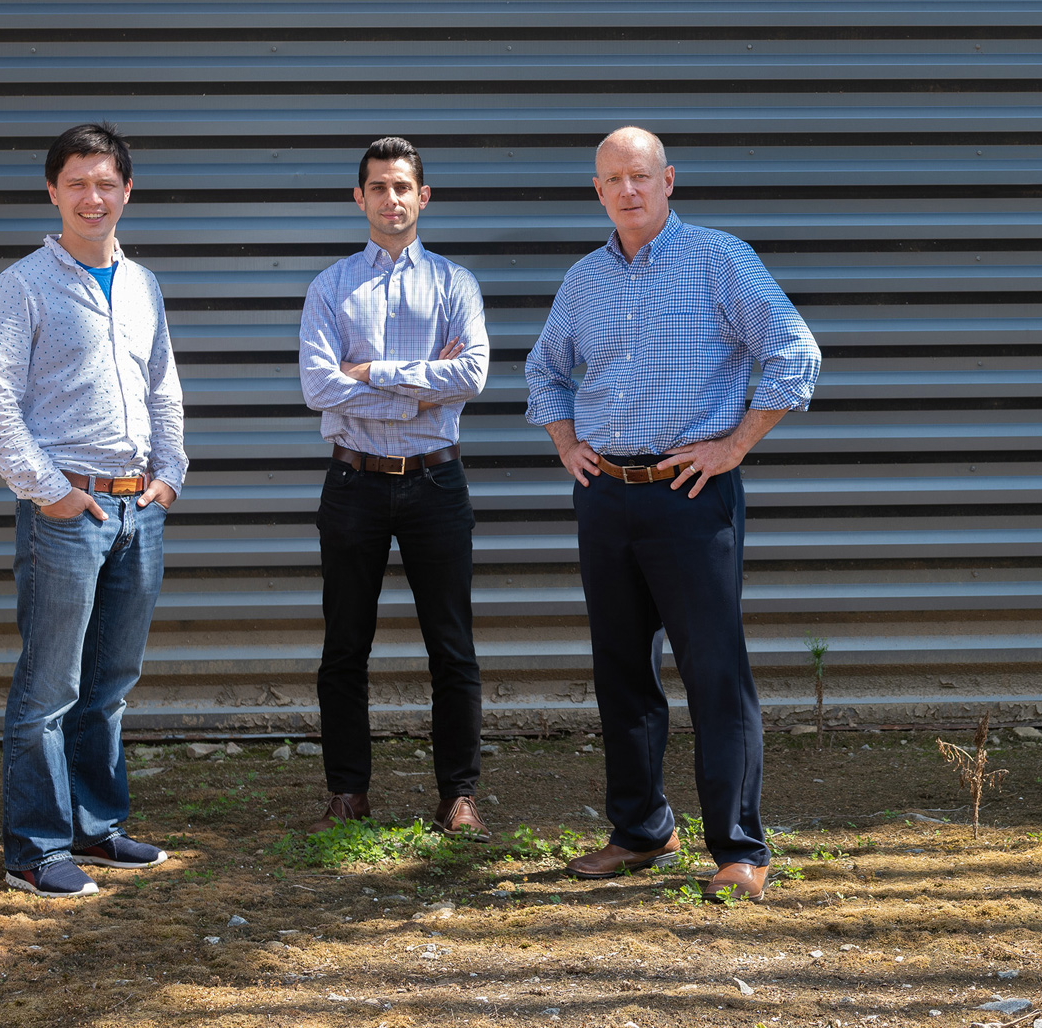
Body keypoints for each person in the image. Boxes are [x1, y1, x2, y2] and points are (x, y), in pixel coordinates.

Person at [524, 126, 821, 901]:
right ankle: (641, 830)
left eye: (642, 176)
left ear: (669, 181)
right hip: (606, 499)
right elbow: (544, 370)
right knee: (621, 671)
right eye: (613, 180)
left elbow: (795, 350)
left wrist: (735, 445)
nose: (629, 190)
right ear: (597, 191)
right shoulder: (585, 279)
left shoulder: (719, 260)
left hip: (691, 497)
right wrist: (566, 445)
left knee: (714, 672)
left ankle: (740, 849)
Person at [0, 122, 185, 897]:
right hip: (68, 510)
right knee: (49, 685)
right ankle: (34, 848)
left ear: (128, 191)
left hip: (138, 507)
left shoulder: (141, 283)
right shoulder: (21, 286)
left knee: (110, 683)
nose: (92, 197)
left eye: (106, 183)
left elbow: (162, 383)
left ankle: (96, 826)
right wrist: (49, 491)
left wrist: (170, 474)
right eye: (76, 183)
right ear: (53, 192)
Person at [297, 136, 491, 839]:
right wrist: (417, 389)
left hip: (437, 483)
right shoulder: (330, 287)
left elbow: (471, 377)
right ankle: (349, 793)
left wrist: (368, 373)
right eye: (378, 187)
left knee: (453, 647)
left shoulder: (454, 284)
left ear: (423, 196)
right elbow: (318, 385)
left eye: (403, 186)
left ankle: (458, 796)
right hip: (355, 483)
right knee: (345, 645)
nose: (391, 198)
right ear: (360, 198)